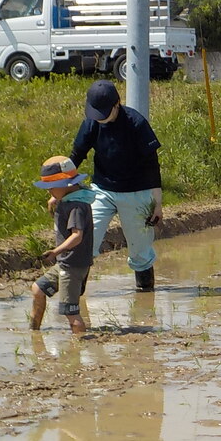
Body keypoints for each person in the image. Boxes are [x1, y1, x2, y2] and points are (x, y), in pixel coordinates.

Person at [69, 80, 163, 292]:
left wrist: (157, 204)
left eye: (104, 113)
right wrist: (60, 189)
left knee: (140, 251)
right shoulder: (92, 122)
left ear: (116, 104)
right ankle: (74, 297)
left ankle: (145, 298)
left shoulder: (136, 123)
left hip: (137, 192)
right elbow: (76, 156)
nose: (100, 118)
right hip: (102, 190)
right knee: (85, 239)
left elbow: (152, 166)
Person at [31, 156, 95, 334]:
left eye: (51, 187)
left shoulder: (76, 206)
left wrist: (55, 251)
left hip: (72, 265)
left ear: (66, 184)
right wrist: (55, 199)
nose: (49, 191)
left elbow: (77, 236)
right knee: (38, 289)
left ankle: (78, 349)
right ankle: (34, 332)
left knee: (70, 312)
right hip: (65, 263)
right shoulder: (71, 197)